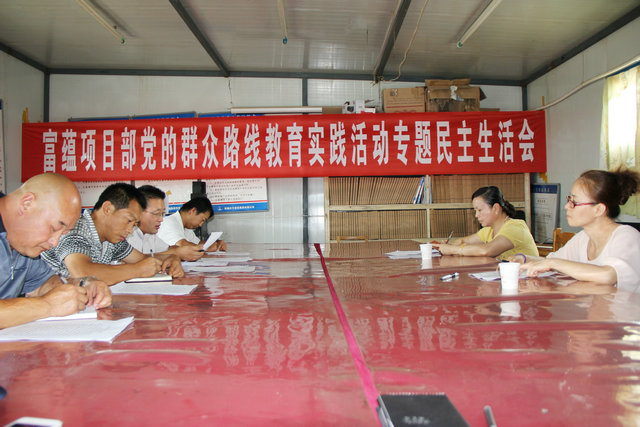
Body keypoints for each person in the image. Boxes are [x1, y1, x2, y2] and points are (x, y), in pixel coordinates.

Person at [0, 173, 111, 328]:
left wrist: (82, 286)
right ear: (27, 204)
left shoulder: (22, 242)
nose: (55, 242)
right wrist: (46, 306)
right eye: (54, 228)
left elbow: (41, 284)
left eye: (63, 233)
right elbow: (46, 301)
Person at [519, 168, 640, 291]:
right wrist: (523, 258)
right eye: (569, 199)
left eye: (575, 202)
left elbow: (608, 275)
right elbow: (550, 261)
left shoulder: (626, 236)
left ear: (598, 209)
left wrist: (552, 263)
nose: (567, 206)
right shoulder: (583, 238)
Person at [42, 183, 183, 286]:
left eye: (134, 224)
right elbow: (82, 272)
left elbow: (141, 260)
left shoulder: (112, 239)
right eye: (129, 220)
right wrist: (136, 270)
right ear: (107, 209)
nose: (130, 230)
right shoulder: (76, 229)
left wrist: (170, 259)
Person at [433, 186, 538, 260]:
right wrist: (449, 244)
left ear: (496, 208)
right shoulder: (489, 230)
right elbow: (463, 241)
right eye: (475, 211)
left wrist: (453, 249)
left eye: (480, 210)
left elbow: (486, 250)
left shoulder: (515, 227)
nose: (476, 215)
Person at [127, 185, 205, 261]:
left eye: (162, 214)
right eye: (156, 214)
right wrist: (175, 253)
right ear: (138, 211)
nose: (161, 219)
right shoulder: (126, 234)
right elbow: (135, 259)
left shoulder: (150, 234)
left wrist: (184, 251)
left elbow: (167, 249)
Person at [157, 196, 226, 251]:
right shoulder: (170, 222)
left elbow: (197, 243)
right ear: (193, 211)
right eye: (202, 220)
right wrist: (206, 248)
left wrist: (216, 243)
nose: (200, 225)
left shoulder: (186, 228)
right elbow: (182, 245)